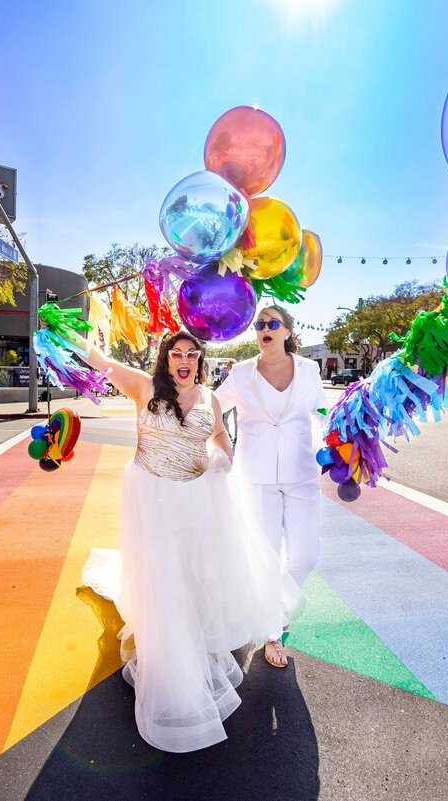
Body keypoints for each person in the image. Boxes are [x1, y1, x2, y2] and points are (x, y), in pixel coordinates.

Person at [79, 330, 301, 753]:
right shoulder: (143, 387)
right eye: (176, 353)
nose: (184, 359)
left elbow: (219, 436)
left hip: (197, 498)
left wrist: (225, 456)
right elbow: (99, 359)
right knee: (164, 580)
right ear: (166, 358)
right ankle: (172, 659)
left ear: (199, 359)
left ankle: (192, 629)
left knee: (195, 573)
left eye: (191, 354)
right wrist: (59, 332)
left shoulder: (209, 398)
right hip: (152, 497)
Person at [214, 305, 329, 669]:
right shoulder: (242, 373)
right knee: (265, 558)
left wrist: (336, 445)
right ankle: (273, 633)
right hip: (256, 477)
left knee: (304, 557)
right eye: (260, 324)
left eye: (272, 323)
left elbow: (323, 415)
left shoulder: (310, 371)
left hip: (302, 474)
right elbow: (212, 405)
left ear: (287, 332)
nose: (265, 328)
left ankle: (278, 612)